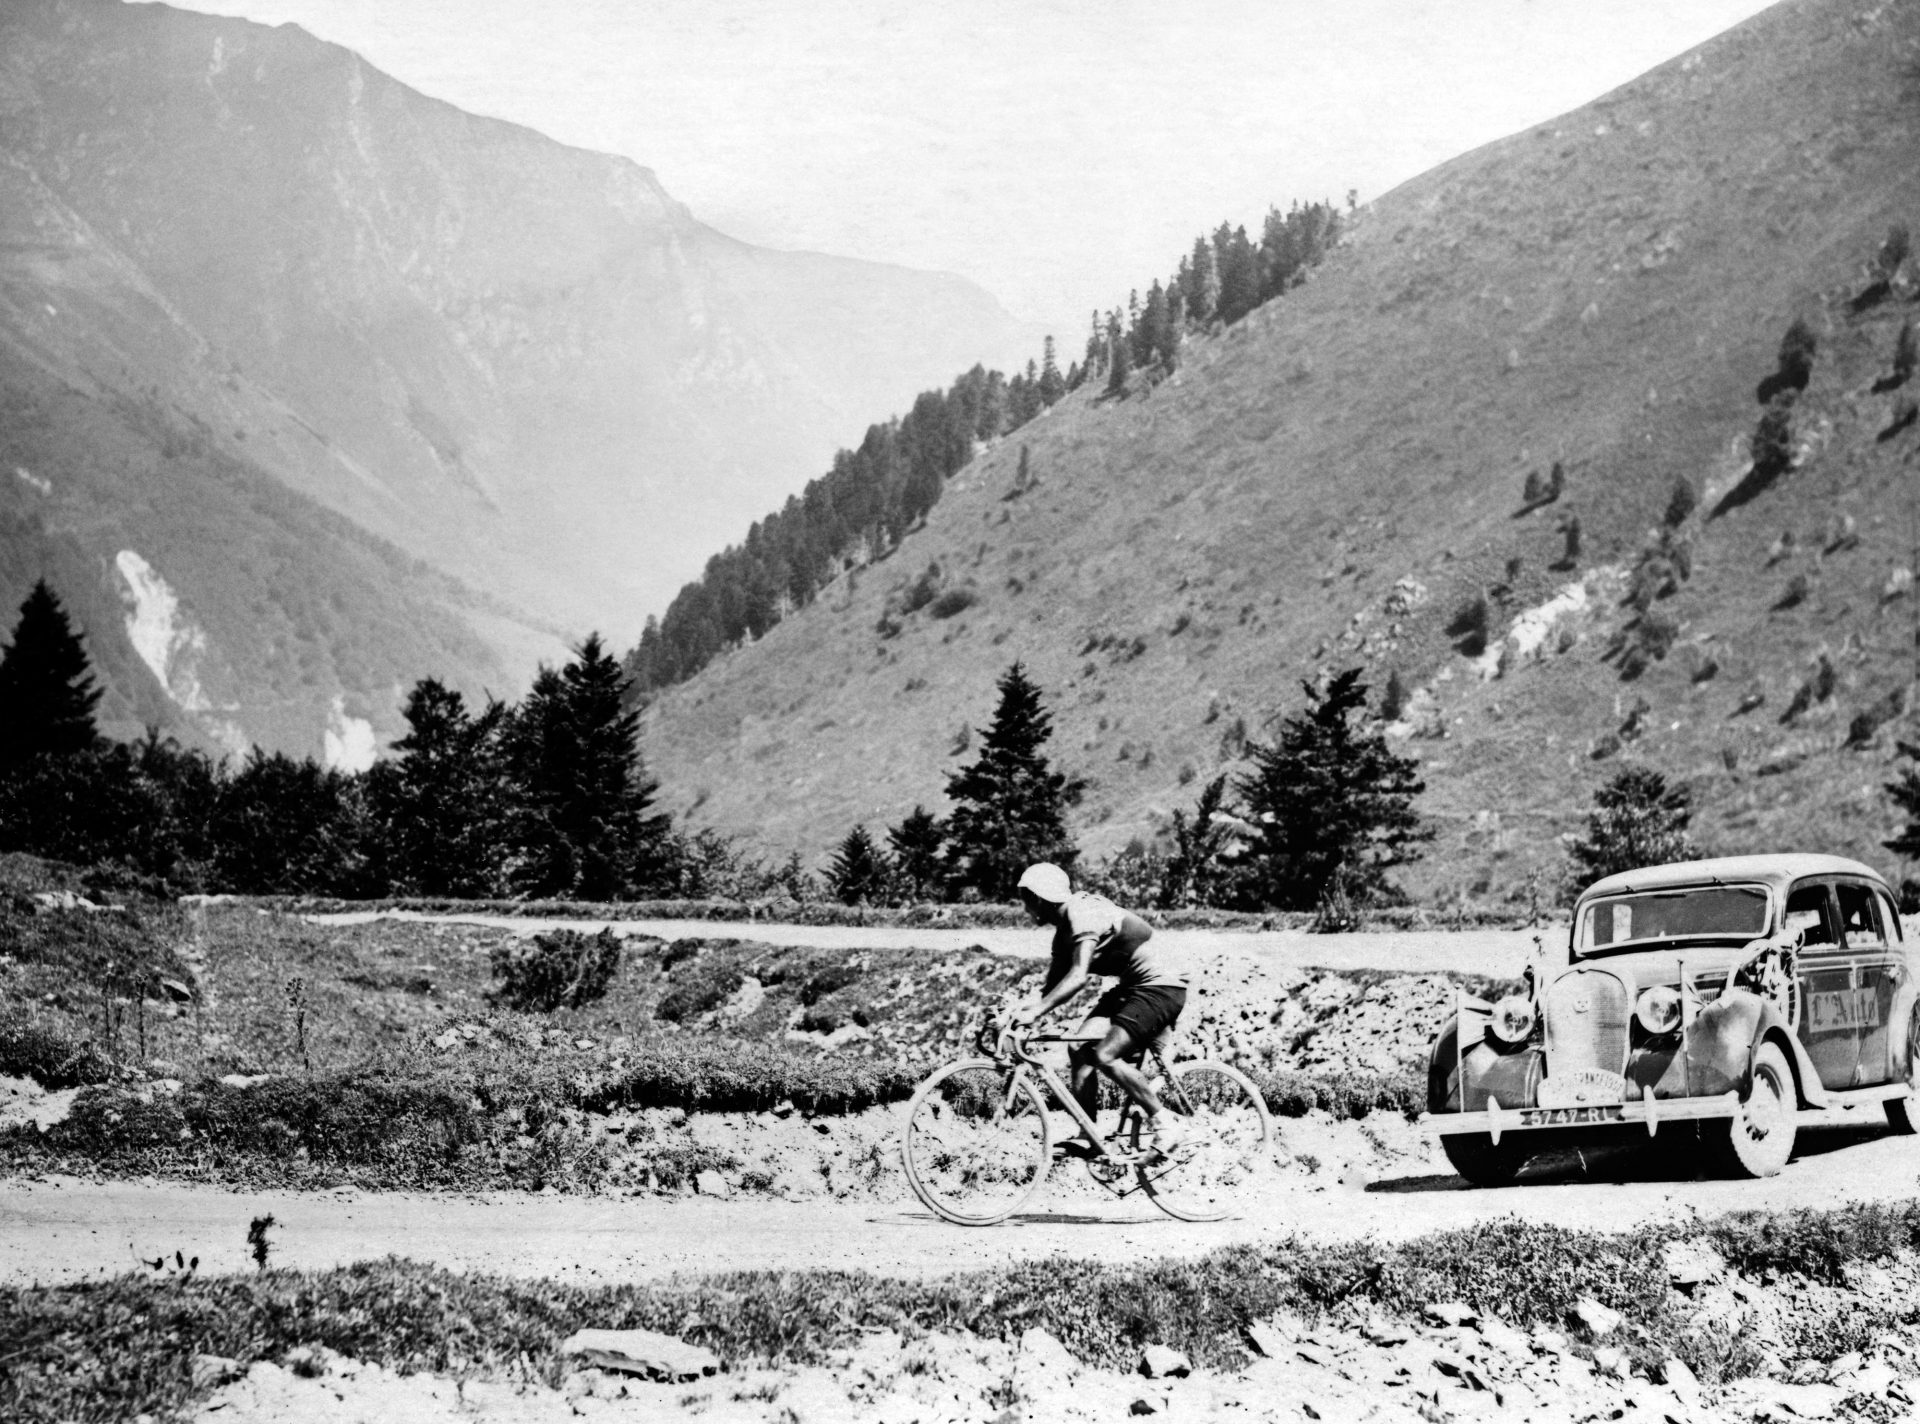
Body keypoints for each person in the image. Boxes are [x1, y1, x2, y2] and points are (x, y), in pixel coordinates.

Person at [1005, 862, 1189, 1158]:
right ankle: (1088, 1134)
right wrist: (1021, 1010)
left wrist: (1037, 1013)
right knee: (1080, 1049)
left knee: (1104, 1054)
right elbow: (1049, 989)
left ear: (1038, 898)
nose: (1024, 908)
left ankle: (1166, 1124)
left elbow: (1078, 976)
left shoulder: (1081, 912)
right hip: (1132, 987)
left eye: (1024, 899)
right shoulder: (1063, 933)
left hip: (1162, 986)